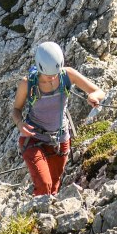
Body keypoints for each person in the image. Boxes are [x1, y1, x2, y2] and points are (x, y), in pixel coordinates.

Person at [12, 41, 104, 197]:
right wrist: (20, 124)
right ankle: (33, 218)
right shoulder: (28, 84)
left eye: (55, 74)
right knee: (44, 185)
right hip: (33, 138)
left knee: (54, 187)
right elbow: (16, 109)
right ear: (40, 68)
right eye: (48, 75)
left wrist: (93, 96)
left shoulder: (67, 75)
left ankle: (43, 216)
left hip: (59, 139)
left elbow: (98, 91)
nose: (52, 78)